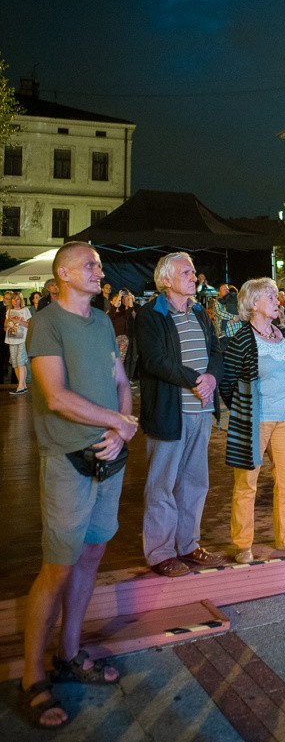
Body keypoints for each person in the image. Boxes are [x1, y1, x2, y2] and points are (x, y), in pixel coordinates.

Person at [21, 242, 138, 729]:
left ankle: (69, 654)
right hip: (68, 459)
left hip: (111, 456)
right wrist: (119, 421)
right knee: (58, 567)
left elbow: (120, 381)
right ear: (63, 274)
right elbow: (56, 395)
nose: (99, 270)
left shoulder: (103, 322)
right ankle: (32, 675)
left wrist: (119, 427)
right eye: (89, 265)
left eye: (99, 265)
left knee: (91, 555)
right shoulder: (46, 323)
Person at [135, 252, 224, 577]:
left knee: (194, 483)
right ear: (167, 279)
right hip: (169, 413)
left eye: (193, 271)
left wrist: (212, 378)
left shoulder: (199, 311)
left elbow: (216, 350)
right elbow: (155, 360)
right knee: (162, 485)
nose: (194, 275)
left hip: (200, 411)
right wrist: (196, 381)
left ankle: (188, 545)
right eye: (187, 271)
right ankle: (161, 553)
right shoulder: (151, 315)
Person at [220, 278, 285, 563]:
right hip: (255, 421)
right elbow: (227, 382)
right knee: (247, 483)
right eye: (271, 297)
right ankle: (242, 544)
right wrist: (243, 409)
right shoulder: (241, 339)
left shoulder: (284, 333)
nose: (277, 301)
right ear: (254, 303)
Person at [4, 292, 32, 394]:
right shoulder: (9, 311)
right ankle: (22, 385)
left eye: (17, 299)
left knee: (21, 360)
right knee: (15, 362)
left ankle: (20, 386)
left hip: (22, 339)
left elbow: (29, 325)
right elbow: (5, 326)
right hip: (11, 338)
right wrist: (9, 321)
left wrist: (19, 321)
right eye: (13, 299)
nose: (15, 301)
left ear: (21, 300)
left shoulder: (25, 310)